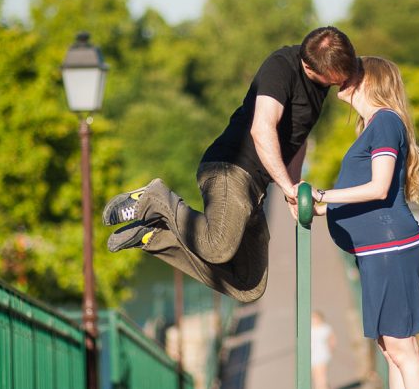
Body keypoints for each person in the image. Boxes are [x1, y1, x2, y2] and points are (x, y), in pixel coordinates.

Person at [102, 27, 358, 303]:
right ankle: (155, 198)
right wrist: (285, 184)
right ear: (309, 65)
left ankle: (151, 237)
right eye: (333, 81)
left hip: (256, 188)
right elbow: (262, 128)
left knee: (249, 286)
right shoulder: (281, 67)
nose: (338, 86)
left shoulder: (319, 85)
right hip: (231, 168)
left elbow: (298, 138)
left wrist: (291, 189)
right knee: (217, 247)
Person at [311, 56, 419, 389]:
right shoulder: (373, 126)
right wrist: (324, 206)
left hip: (392, 249)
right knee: (392, 349)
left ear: (369, 82)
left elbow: (380, 188)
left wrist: (325, 198)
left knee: (403, 349)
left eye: (351, 74)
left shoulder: (384, 122)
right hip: (379, 251)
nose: (341, 80)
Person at [310, 310, 337, 389]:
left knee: (321, 373)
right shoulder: (310, 328)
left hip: (322, 353)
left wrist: (331, 349)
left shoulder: (325, 328)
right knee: (315, 374)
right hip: (312, 353)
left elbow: (332, 339)